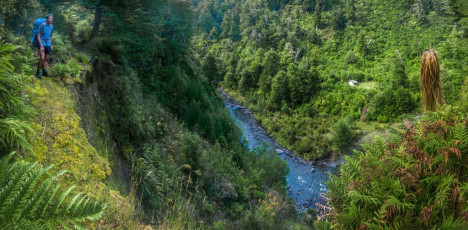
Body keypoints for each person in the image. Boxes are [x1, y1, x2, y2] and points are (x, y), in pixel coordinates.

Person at [36, 14, 54, 78]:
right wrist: (41, 46)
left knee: (45, 58)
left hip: (48, 44)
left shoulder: (51, 26)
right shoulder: (42, 25)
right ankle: (38, 72)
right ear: (46, 19)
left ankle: (44, 71)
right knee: (42, 58)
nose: (51, 19)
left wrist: (51, 44)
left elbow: (51, 35)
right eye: (50, 18)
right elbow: (38, 36)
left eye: (52, 18)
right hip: (42, 43)